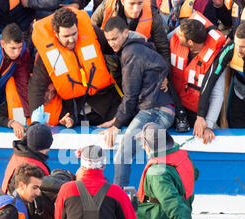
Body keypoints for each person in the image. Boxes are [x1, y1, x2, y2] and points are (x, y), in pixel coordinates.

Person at [101, 16, 176, 188]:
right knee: (150, 159)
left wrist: (117, 125)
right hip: (159, 109)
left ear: (126, 33)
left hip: (156, 111)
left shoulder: (131, 53)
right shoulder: (138, 48)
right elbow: (161, 67)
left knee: (122, 155)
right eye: (108, 40)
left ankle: (118, 201)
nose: (112, 43)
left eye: (115, 38)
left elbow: (130, 95)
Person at [28, 7, 121, 128]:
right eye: (66, 36)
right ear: (56, 34)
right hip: (74, 115)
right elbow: (36, 88)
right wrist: (36, 124)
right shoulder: (47, 56)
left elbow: (117, 49)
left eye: (74, 33)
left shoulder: (93, 34)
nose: (71, 39)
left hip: (105, 106)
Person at [128, 122, 201, 219]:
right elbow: (194, 174)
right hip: (174, 218)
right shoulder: (183, 158)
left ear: (147, 146)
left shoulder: (156, 172)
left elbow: (172, 204)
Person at [169, 12, 227, 137]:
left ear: (190, 42)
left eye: (180, 35)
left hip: (196, 113)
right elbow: (162, 43)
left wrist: (209, 125)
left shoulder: (215, 58)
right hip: (174, 104)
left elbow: (218, 94)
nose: (176, 34)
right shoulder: (177, 38)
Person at [91, 0, 171, 66]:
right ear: (122, 1)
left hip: (138, 61)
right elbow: (91, 29)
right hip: (110, 60)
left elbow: (163, 46)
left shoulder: (151, 14)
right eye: (132, 4)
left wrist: (164, 75)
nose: (136, 9)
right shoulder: (107, 6)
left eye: (140, 3)